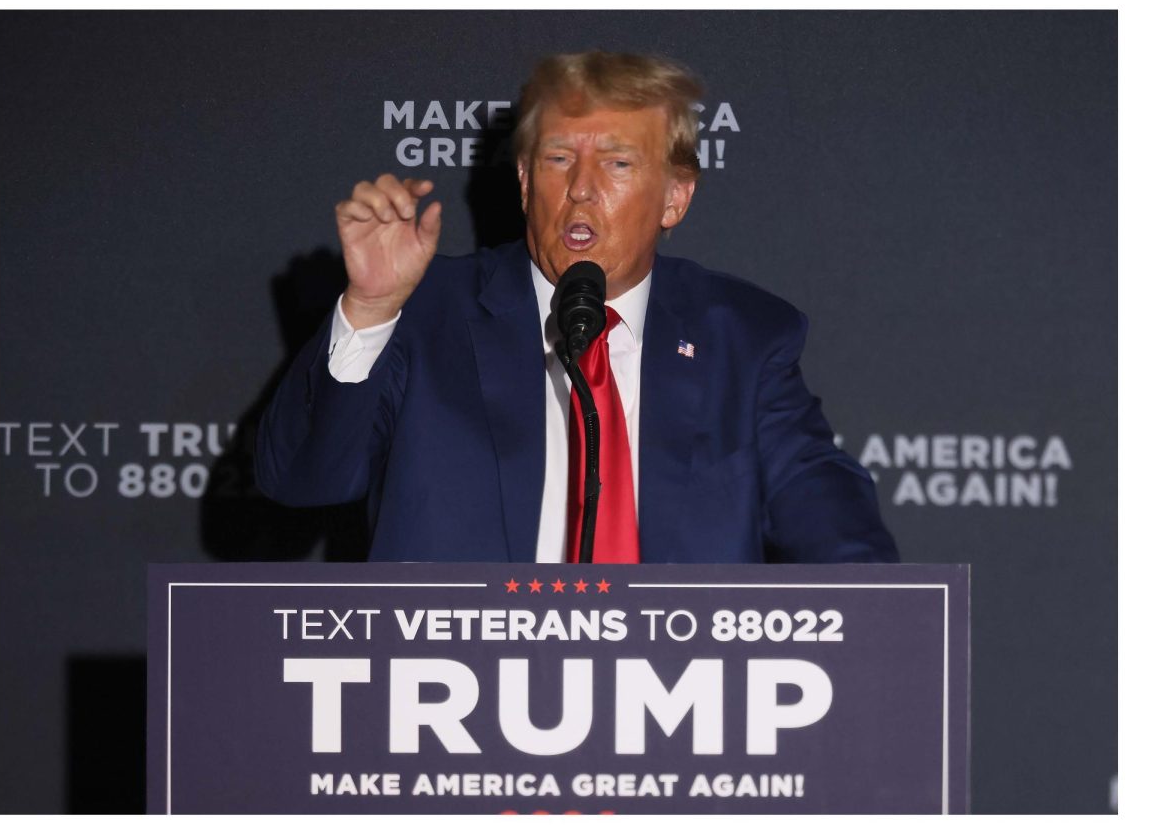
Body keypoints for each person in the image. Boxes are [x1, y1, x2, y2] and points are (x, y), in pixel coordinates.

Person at [256, 51, 898, 565]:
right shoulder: (428, 310)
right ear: (526, 181)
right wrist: (370, 308)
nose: (582, 188)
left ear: (675, 198)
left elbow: (827, 514)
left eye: (617, 162)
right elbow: (301, 479)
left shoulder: (743, 337)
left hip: (675, 699)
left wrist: (884, 626)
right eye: (559, 159)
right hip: (455, 701)